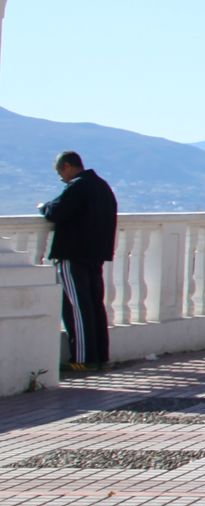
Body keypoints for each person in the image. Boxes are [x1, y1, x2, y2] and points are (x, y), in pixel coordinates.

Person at [42, 153, 116, 374]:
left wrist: (42, 206)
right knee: (94, 304)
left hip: (73, 254)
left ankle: (83, 359)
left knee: (77, 306)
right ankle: (101, 356)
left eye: (60, 173)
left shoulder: (77, 186)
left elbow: (56, 212)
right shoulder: (102, 186)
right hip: (95, 254)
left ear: (67, 166)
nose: (62, 179)